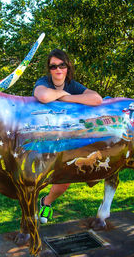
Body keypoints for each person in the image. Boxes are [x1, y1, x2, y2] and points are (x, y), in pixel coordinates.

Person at [33, 49, 103, 224]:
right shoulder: (44, 82)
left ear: (67, 67)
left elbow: (97, 99)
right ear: (49, 69)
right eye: (53, 66)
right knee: (38, 177)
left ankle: (46, 202)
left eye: (61, 65)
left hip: (69, 138)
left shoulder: (73, 85)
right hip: (45, 139)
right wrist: (63, 95)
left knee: (65, 181)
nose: (58, 69)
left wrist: (65, 97)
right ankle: (29, 208)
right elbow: (42, 95)